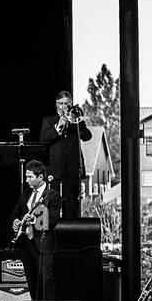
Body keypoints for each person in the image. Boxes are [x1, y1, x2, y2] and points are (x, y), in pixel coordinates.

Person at [11, 161, 64, 301]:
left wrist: (35, 220)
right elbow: (16, 212)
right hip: (27, 244)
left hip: (43, 244)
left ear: (40, 177)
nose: (27, 180)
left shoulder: (52, 196)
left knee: (46, 281)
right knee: (31, 281)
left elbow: (53, 220)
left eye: (30, 177)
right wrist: (16, 222)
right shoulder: (26, 194)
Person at [40, 91, 91, 219]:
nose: (64, 106)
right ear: (56, 105)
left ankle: (73, 234)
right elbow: (43, 139)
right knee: (53, 203)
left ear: (71, 104)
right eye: (61, 104)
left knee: (72, 205)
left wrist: (77, 122)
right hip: (55, 169)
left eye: (67, 103)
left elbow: (87, 136)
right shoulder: (49, 120)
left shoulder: (76, 119)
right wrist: (58, 128)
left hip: (73, 169)